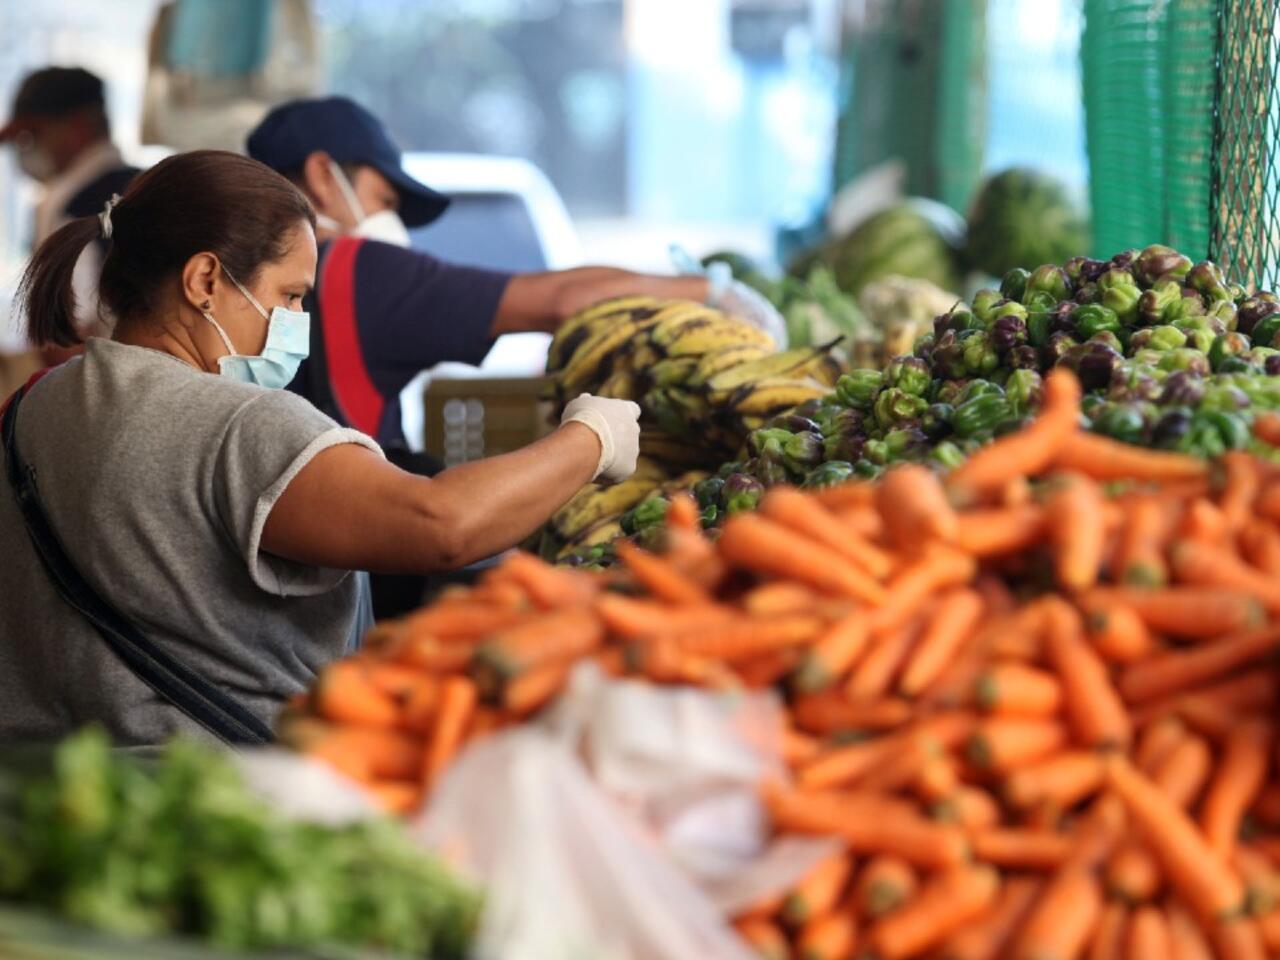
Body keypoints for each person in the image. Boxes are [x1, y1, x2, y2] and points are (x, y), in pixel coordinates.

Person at [0, 150, 640, 746]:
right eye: (291, 295)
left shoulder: (30, 408)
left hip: (45, 806)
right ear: (204, 280)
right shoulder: (242, 427)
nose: (297, 322)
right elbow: (442, 523)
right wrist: (591, 437)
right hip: (221, 805)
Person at [245, 96, 785, 451]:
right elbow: (560, 299)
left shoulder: (228, 270)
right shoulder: (356, 273)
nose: (388, 224)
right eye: (384, 199)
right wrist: (711, 292)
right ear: (322, 176)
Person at [0, 67, 141, 364]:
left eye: (31, 134)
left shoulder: (68, 207)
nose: (24, 149)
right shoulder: (151, 185)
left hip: (107, 389)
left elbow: (66, 342)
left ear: (77, 128)